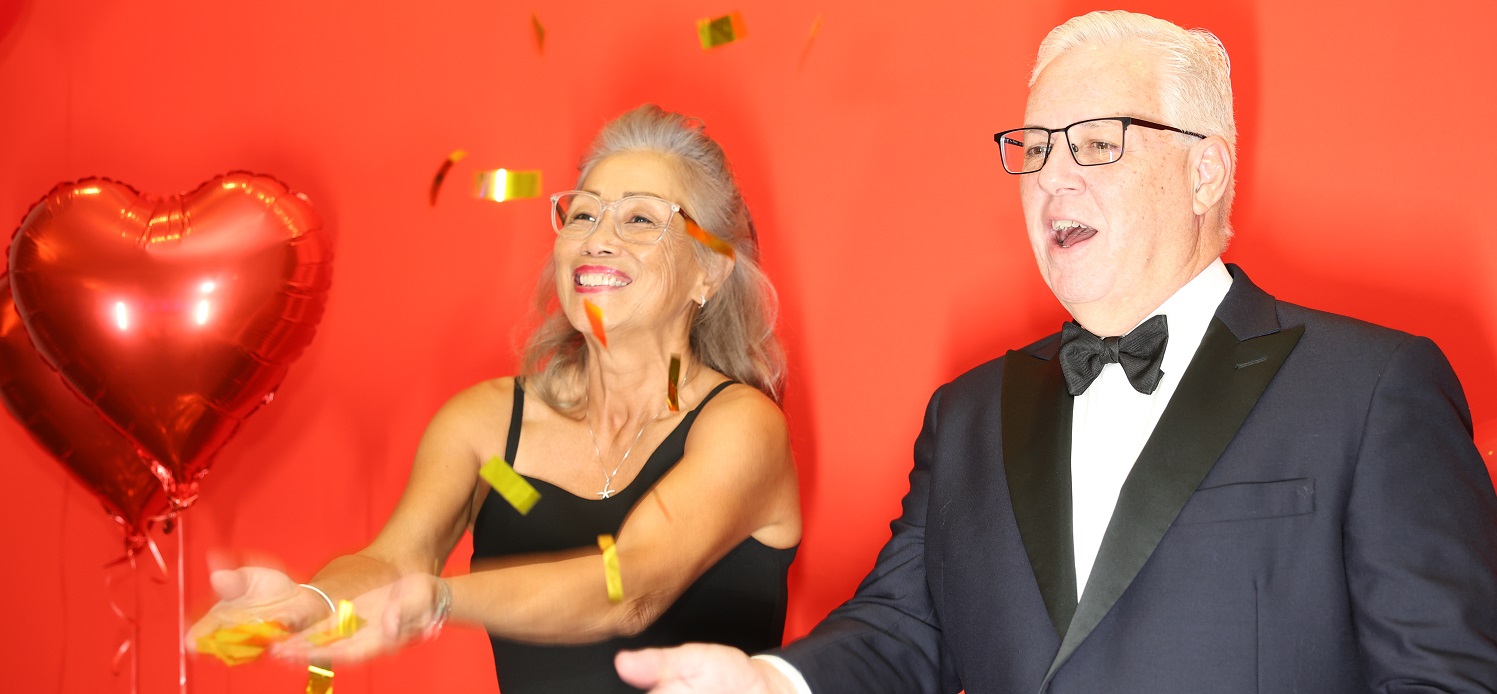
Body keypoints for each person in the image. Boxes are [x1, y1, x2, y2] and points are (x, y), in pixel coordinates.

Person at [616, 10, 1497, 693]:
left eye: (1096, 142)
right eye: (1033, 148)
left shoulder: (1372, 388)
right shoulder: (965, 416)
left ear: (1205, 171)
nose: (1051, 177)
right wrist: (772, 679)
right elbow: (900, 630)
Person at [187, 104, 802, 693]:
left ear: (710, 272)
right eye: (583, 215)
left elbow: (631, 587)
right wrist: (314, 601)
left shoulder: (741, 427)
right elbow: (398, 559)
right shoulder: (483, 423)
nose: (598, 239)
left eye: (640, 219)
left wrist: (441, 599)